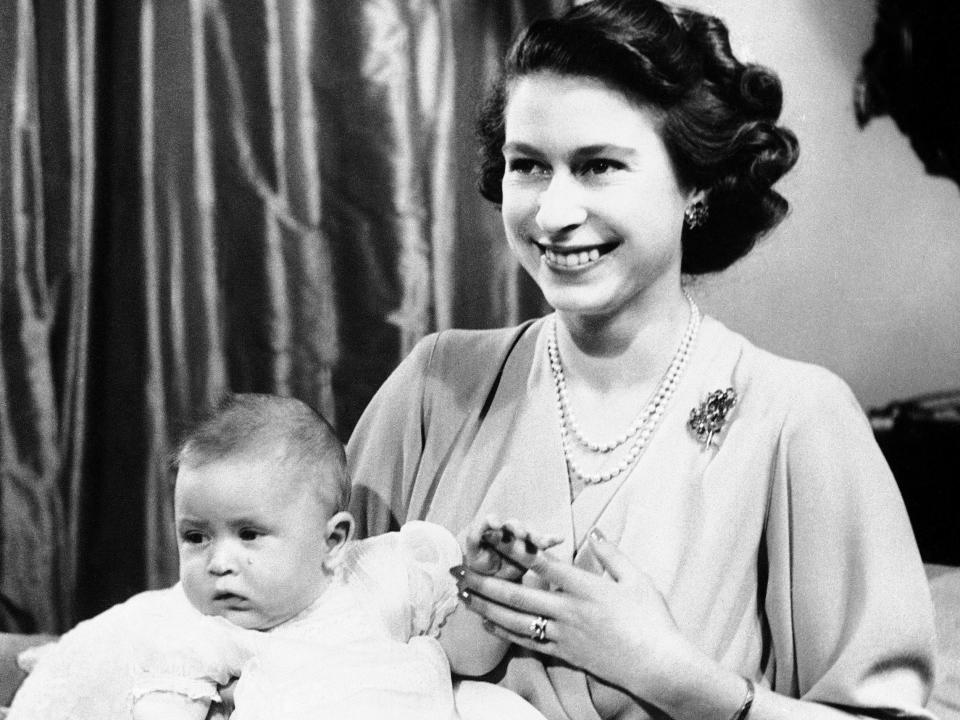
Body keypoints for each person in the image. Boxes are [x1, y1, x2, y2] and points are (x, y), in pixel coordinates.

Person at [346, 1, 938, 719]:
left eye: (598, 166)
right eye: (528, 166)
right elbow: (298, 633)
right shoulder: (434, 389)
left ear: (696, 186)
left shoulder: (796, 419)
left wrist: (676, 678)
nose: (554, 212)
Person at [6, 393, 548, 720]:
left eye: (249, 535)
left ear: (332, 542)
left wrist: (483, 582)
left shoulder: (378, 575)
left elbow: (471, 660)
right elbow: (165, 698)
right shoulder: (209, 628)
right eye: (196, 537)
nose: (219, 562)